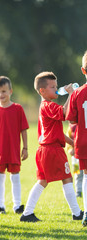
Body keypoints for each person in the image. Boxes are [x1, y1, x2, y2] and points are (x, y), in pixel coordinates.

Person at [20, 71, 83, 222]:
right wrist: (70, 94)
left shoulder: (46, 106)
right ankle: (76, 213)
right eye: (52, 86)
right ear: (42, 91)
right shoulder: (48, 105)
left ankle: (27, 213)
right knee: (67, 178)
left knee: (43, 181)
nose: (56, 88)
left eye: (56, 85)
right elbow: (64, 113)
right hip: (52, 150)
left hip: (44, 150)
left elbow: (57, 133)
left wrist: (73, 143)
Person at [0, 76, 29, 214]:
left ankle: (17, 205)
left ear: (10, 91)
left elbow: (23, 129)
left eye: (4, 91)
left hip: (13, 150)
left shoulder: (18, 108)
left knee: (15, 177)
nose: (1, 95)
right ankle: (0, 205)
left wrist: (25, 147)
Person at [66, 50, 87, 226]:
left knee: (86, 177)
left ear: (83, 70)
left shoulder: (78, 93)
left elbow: (72, 119)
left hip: (83, 142)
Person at [66, 123, 83, 198]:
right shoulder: (71, 127)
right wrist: (70, 149)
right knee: (77, 173)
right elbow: (68, 138)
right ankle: (78, 191)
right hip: (75, 156)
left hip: (84, 154)